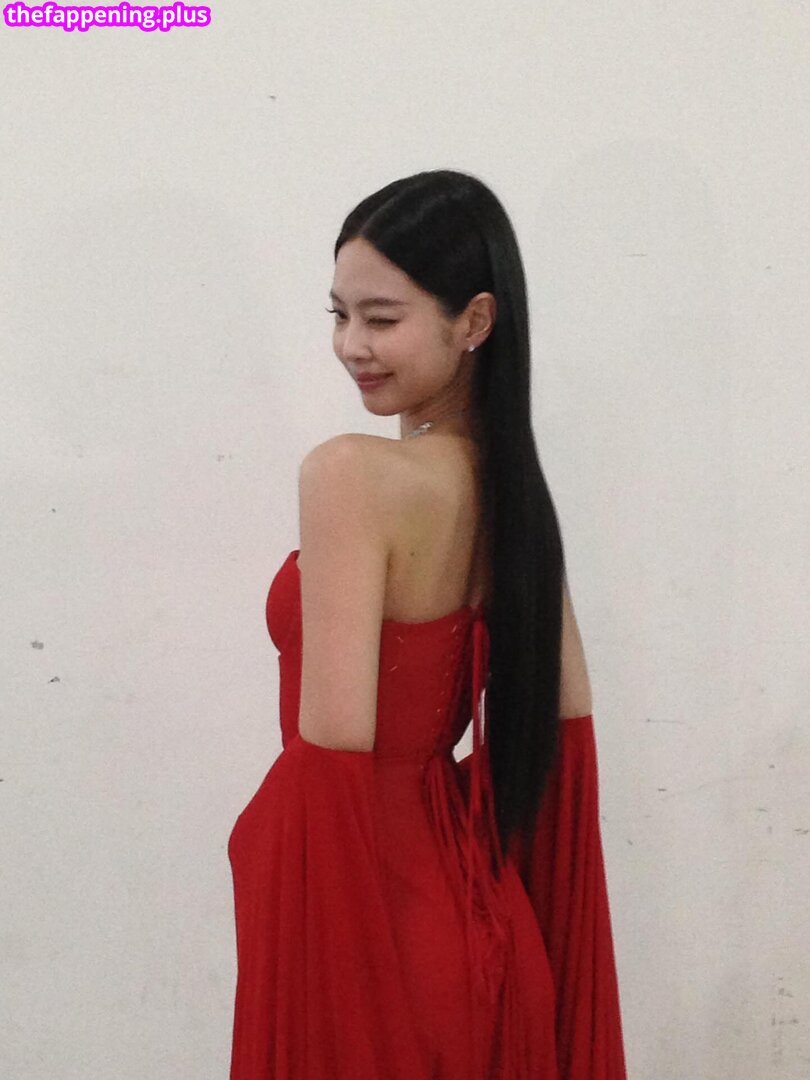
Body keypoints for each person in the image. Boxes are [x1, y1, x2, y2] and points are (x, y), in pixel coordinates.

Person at [228, 169, 627, 1078]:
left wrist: (261, 856)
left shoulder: (349, 475)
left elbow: (332, 766)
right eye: (338, 315)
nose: (351, 346)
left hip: (379, 937)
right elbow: (567, 746)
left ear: (475, 321)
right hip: (489, 930)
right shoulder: (516, 498)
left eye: (382, 318)